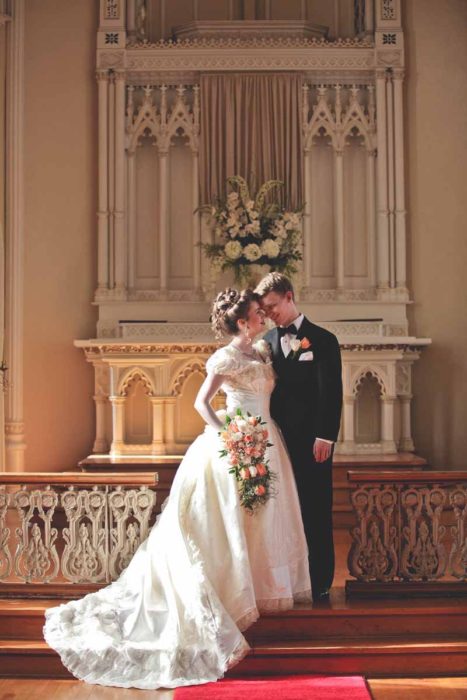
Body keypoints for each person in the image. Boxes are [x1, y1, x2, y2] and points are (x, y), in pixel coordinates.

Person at [43, 288, 311, 690]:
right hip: (237, 440)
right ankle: (228, 595)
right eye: (258, 313)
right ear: (242, 322)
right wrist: (231, 437)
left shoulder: (263, 352)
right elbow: (202, 403)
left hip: (266, 438)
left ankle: (258, 588)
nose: (263, 317)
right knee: (227, 520)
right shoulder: (225, 357)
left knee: (264, 515)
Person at [255, 273, 343, 601]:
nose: (270, 314)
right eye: (265, 309)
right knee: (283, 510)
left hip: (313, 440)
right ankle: (289, 579)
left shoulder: (323, 340)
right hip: (277, 440)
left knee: (315, 505)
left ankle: (320, 579)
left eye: (274, 306)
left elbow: (331, 392)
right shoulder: (266, 343)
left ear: (289, 297)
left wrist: (325, 436)